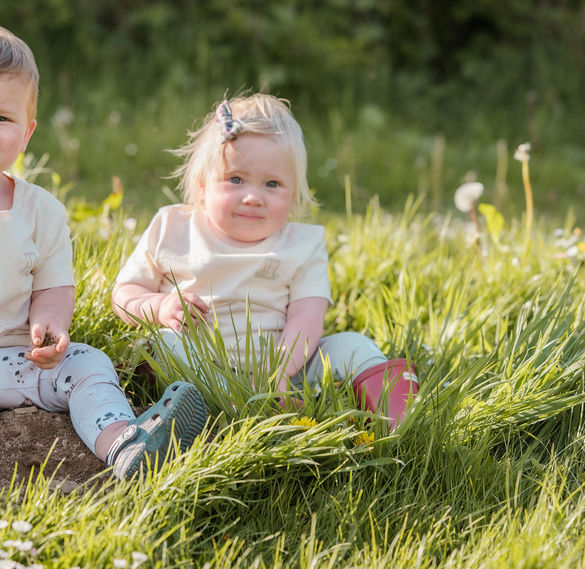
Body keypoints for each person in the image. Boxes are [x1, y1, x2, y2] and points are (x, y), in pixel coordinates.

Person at [0, 18, 207, 505]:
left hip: (7, 361)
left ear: (26, 133)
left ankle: (126, 444)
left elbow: (53, 288)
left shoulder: (42, 210)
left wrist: (50, 327)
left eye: (1, 119)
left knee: (87, 362)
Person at [111, 94, 417, 429]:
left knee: (353, 345)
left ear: (294, 193)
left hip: (286, 369)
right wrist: (159, 306)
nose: (253, 197)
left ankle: (399, 421)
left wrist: (279, 372)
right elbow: (125, 293)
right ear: (202, 185)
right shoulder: (174, 228)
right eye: (236, 179)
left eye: (272, 184)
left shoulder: (301, 245)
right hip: (201, 363)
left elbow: (307, 317)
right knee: (165, 346)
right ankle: (226, 403)